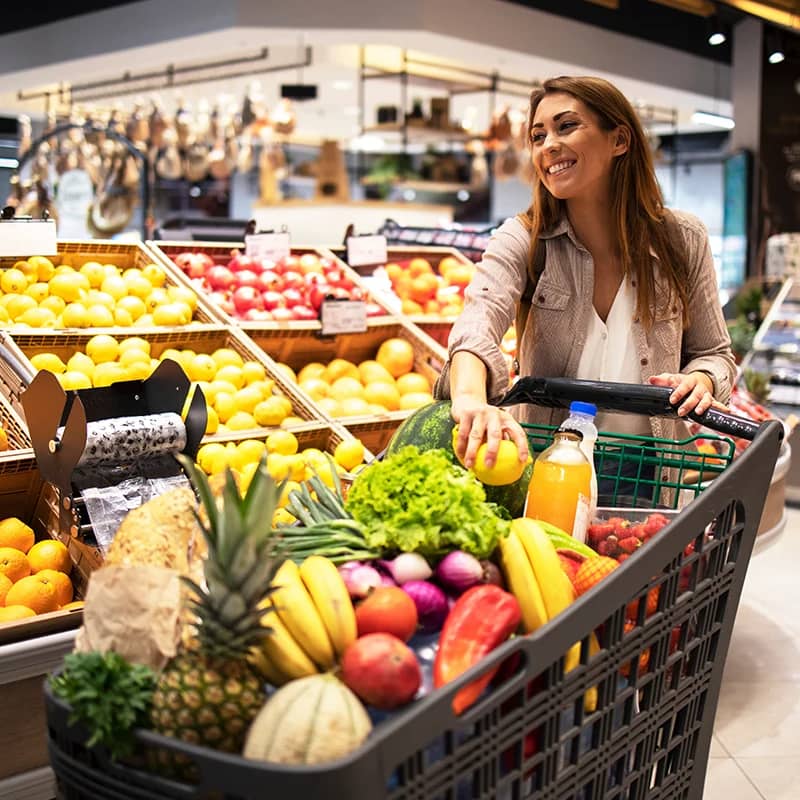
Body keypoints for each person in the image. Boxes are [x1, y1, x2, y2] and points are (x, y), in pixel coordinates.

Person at [437, 75, 736, 491]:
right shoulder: (525, 239)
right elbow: (477, 325)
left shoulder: (683, 240)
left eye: (566, 126)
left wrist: (701, 381)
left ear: (619, 140)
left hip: (649, 471)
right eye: (538, 136)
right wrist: (470, 401)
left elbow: (715, 353)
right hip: (544, 466)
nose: (548, 146)